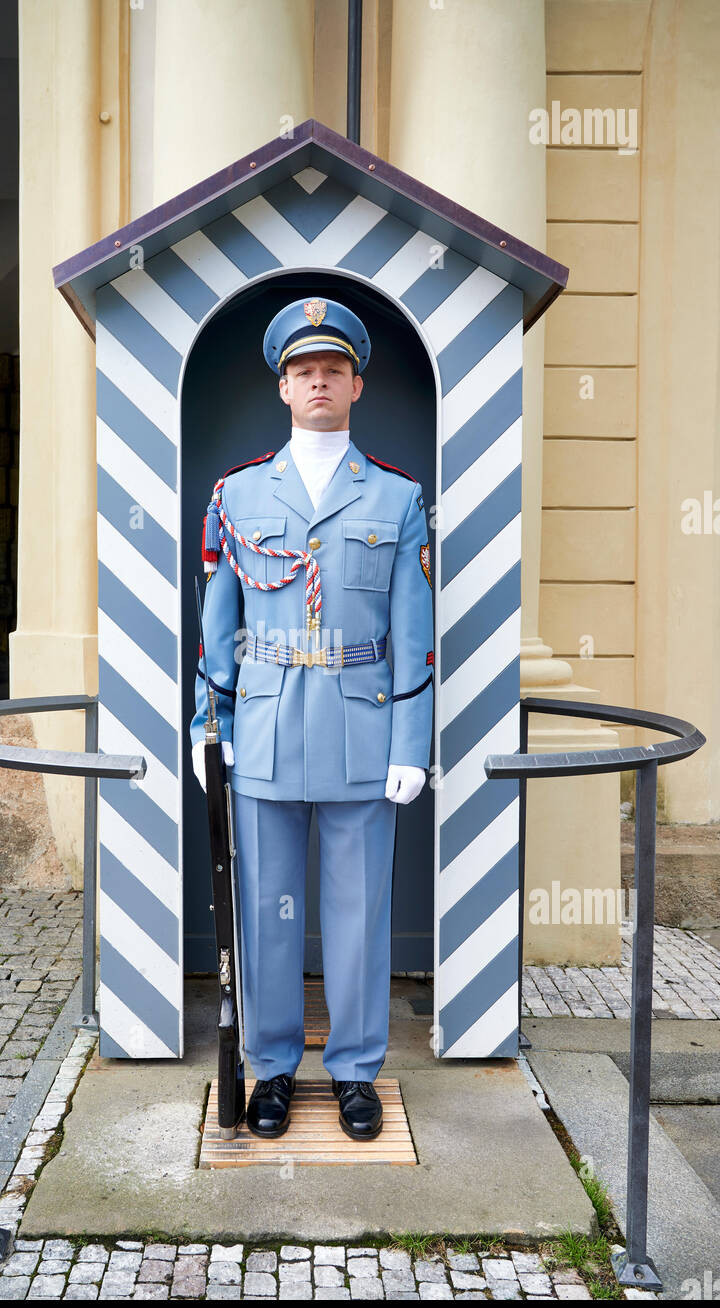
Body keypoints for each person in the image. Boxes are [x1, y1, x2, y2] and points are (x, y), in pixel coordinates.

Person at [190, 296, 434, 1140]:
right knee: (267, 907)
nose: (318, 380)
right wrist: (203, 725)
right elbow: (217, 631)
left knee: (360, 910)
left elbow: (415, 634)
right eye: (303, 370)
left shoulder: (398, 501)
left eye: (332, 368)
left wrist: (413, 740)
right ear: (283, 388)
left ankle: (358, 1070)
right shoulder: (237, 494)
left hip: (363, 728)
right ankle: (273, 1068)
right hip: (260, 728)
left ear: (356, 384)